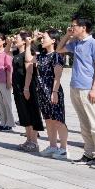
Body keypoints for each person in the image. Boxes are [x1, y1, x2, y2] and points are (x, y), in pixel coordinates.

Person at [57, 17, 95, 168]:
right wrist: (67, 35)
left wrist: (94, 89)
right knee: (84, 124)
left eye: (74, 26)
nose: (72, 28)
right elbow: (59, 49)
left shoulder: (94, 43)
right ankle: (88, 153)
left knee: (94, 123)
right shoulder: (76, 43)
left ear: (83, 27)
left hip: (87, 89)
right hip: (75, 87)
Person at [34, 30, 68, 159]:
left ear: (53, 40)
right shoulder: (41, 55)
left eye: (45, 37)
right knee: (48, 119)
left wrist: (54, 92)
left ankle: (63, 149)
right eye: (41, 38)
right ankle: (52, 146)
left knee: (58, 120)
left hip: (53, 91)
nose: (42, 40)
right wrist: (34, 39)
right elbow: (29, 57)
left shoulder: (56, 56)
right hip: (42, 92)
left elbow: (57, 77)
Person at [11, 31, 44, 151]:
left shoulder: (29, 53)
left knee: (31, 112)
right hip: (18, 87)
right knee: (23, 113)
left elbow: (29, 71)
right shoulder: (16, 53)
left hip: (28, 87)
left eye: (17, 38)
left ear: (24, 41)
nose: (15, 39)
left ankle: (34, 142)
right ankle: (28, 139)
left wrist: (26, 88)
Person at [0, 35, 16, 131]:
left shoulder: (6, 52)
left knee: (7, 101)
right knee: (0, 101)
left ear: (3, 41)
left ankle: (9, 123)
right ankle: (3, 122)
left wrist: (9, 81)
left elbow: (9, 68)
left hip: (4, 79)